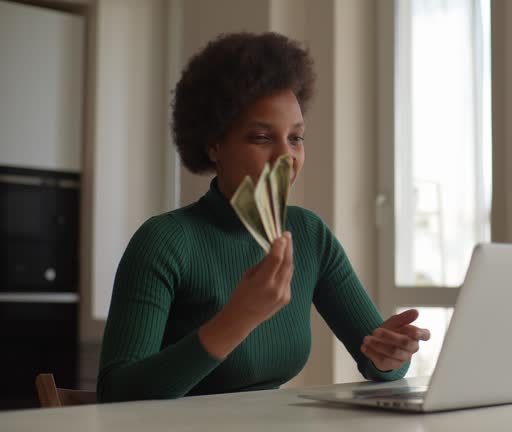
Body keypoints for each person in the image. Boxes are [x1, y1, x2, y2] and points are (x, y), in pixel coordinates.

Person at [97, 32, 430, 402]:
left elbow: (378, 360)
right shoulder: (164, 241)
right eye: (261, 137)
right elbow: (116, 394)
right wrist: (237, 318)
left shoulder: (308, 233)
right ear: (214, 144)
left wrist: (390, 356)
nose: (285, 157)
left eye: (296, 138)